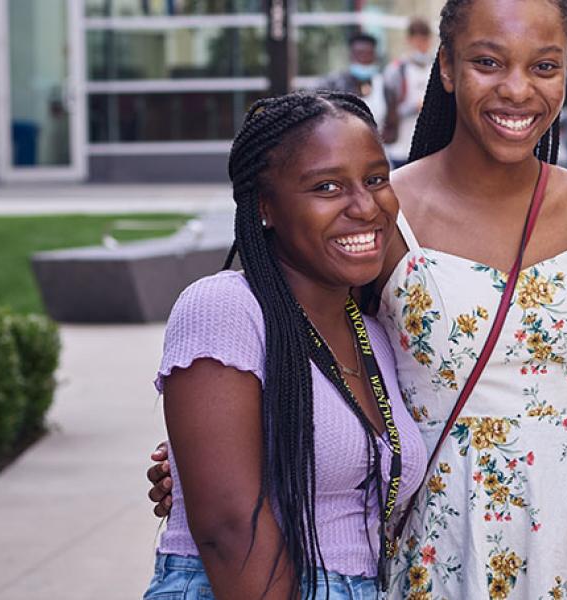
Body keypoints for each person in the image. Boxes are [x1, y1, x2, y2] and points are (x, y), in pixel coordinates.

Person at [151, 1, 567, 598]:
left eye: (545, 66)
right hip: (448, 545)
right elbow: (307, 345)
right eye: (488, 62)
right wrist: (199, 458)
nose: (517, 90)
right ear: (445, 65)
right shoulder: (384, 216)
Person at [143, 90, 428, 599]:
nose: (365, 206)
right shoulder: (226, 309)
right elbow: (232, 532)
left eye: (376, 179)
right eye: (327, 186)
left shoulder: (373, 332)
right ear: (265, 207)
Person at [383, 18, 437, 165]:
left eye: (425, 41)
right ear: (409, 40)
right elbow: (389, 112)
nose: (422, 46)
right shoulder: (396, 71)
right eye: (418, 41)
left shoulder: (437, 67)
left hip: (430, 147)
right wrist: (415, 107)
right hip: (402, 147)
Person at [321, 32, 388, 129]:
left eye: (368, 54)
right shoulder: (333, 85)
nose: (364, 59)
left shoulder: (384, 85)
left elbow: (392, 126)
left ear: (375, 57)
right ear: (351, 55)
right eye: (359, 54)